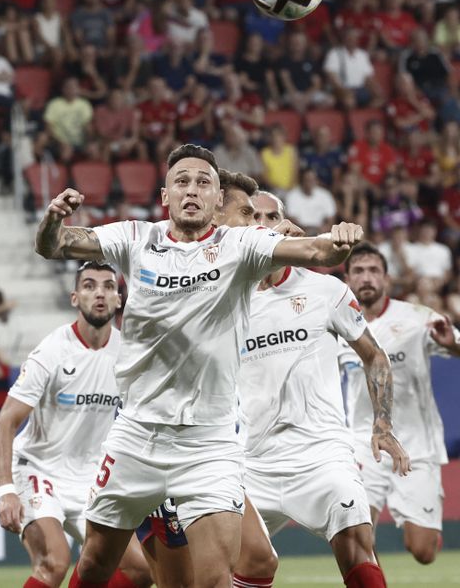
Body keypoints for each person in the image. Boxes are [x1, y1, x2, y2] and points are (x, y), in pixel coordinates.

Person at [34, 143, 369, 587]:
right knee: (95, 564)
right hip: (137, 433)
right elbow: (53, 245)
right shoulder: (137, 238)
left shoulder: (242, 245)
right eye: (183, 181)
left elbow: (318, 254)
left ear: (215, 201)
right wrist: (54, 218)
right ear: (165, 196)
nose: (192, 189)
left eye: (204, 182)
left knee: (215, 579)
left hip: (209, 444)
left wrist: (339, 239)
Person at [239, 192, 410, 588]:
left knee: (356, 541)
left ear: (289, 226)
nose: (263, 224)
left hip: (321, 455)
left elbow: (375, 357)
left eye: (272, 216)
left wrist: (382, 424)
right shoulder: (230, 296)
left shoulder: (325, 290)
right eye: (253, 216)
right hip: (250, 461)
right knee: (221, 563)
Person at [0, 261, 152, 588]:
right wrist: (6, 490)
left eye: (108, 286)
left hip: (91, 478)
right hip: (38, 469)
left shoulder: (128, 354)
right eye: (90, 286)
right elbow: (5, 422)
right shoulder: (52, 351)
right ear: (75, 298)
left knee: (141, 570)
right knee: (54, 562)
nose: (100, 294)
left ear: (119, 299)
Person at [341, 243, 460, 565]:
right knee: (356, 535)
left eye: (373, 271)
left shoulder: (417, 317)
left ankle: (424, 527)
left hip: (417, 445)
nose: (367, 278)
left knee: (422, 552)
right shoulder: (338, 324)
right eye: (359, 271)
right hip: (365, 446)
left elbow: (456, 344)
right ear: (347, 279)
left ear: (387, 279)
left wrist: (453, 345)